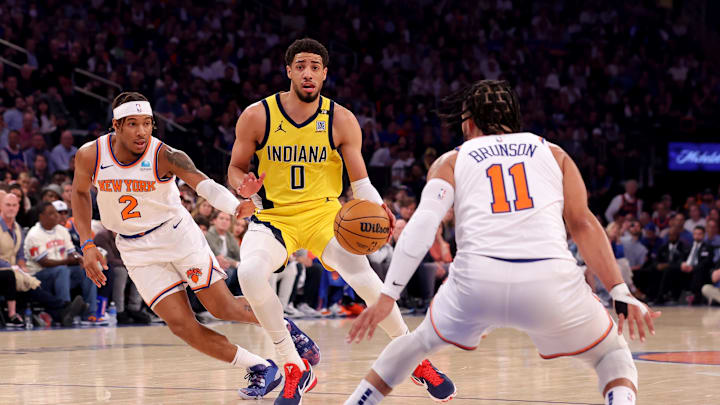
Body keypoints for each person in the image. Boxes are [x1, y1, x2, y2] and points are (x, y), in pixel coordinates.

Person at [345, 80, 660, 405]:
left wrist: (388, 294)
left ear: (468, 122)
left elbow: (423, 224)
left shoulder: (450, 160)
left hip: (477, 282)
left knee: (414, 345)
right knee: (612, 356)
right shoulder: (555, 153)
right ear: (514, 116)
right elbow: (583, 224)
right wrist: (620, 290)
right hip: (549, 281)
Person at [228, 38, 453, 405]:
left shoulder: (341, 119)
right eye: (300, 65)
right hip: (273, 217)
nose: (307, 73)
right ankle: (292, 367)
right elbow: (236, 168)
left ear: (325, 73)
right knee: (249, 274)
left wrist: (380, 209)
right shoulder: (257, 115)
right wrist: (243, 186)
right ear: (288, 71)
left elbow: (360, 183)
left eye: (315, 66)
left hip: (325, 216)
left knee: (364, 277)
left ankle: (413, 358)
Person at [71, 92, 318, 399]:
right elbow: (80, 194)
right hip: (133, 247)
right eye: (132, 124)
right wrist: (87, 244)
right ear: (116, 126)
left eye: (147, 124)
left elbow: (204, 184)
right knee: (181, 326)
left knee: (222, 307)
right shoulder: (90, 154)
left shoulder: (165, 155)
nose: (141, 132)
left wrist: (235, 206)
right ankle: (261, 367)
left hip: (176, 235)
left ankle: (286, 327)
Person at [23, 201, 98, 321]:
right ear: (42, 216)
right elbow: (44, 262)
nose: (57, 216)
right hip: (40, 277)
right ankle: (66, 310)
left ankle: (91, 313)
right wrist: (67, 260)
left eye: (56, 213)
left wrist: (80, 258)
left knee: (87, 270)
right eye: (52, 213)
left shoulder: (62, 231)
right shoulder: (34, 234)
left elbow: (71, 251)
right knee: (62, 271)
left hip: (62, 272)